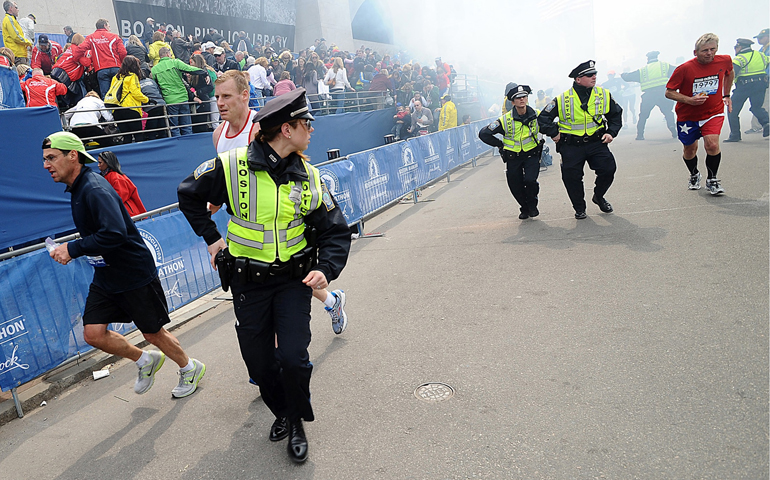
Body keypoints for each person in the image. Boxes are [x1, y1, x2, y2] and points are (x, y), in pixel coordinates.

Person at [177, 88, 350, 464]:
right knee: (258, 364)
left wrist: (325, 268)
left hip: (293, 281)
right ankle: (284, 412)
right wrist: (213, 239)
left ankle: (298, 420)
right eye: (307, 124)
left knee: (292, 357)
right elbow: (188, 194)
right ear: (287, 130)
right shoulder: (231, 165)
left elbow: (336, 230)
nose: (311, 130)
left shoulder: (310, 177)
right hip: (247, 284)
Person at [42, 131, 206, 398]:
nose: (46, 165)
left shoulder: (94, 188)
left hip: (133, 273)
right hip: (106, 275)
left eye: (51, 158)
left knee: (153, 333)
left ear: (73, 156)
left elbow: (115, 233)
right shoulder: (78, 188)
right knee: (93, 334)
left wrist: (72, 248)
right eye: (45, 159)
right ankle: (144, 360)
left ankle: (190, 367)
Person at [212, 70, 349, 332]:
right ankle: (332, 301)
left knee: (290, 284)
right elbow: (224, 182)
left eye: (226, 96)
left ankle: (328, 304)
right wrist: (212, 225)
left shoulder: (261, 128)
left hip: (281, 223)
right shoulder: (218, 135)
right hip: (247, 232)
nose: (220, 102)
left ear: (244, 95)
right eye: (217, 96)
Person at [537, 60, 623, 219]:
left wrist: (611, 132)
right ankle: (579, 207)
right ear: (578, 79)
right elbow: (543, 119)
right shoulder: (562, 99)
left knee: (608, 169)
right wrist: (554, 133)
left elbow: (615, 114)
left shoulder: (603, 94)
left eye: (595, 74)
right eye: (589, 75)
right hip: (571, 146)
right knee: (571, 178)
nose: (594, 77)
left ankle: (599, 196)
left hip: (597, 142)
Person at [665, 33, 734, 195]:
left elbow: (729, 73)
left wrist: (726, 94)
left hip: (713, 112)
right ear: (695, 52)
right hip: (688, 116)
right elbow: (669, 92)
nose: (709, 53)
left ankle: (712, 180)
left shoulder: (724, 60)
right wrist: (689, 100)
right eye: (705, 50)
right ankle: (694, 174)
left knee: (712, 144)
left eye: (713, 49)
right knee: (690, 150)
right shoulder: (684, 69)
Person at [480, 85, 543, 219]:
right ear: (512, 102)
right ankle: (524, 208)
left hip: (532, 154)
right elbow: (484, 133)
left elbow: (549, 126)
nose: (522, 100)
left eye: (524, 97)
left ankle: (532, 205)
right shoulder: (504, 119)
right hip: (513, 157)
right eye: (518, 98)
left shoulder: (537, 115)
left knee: (530, 181)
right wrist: (499, 145)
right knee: (515, 185)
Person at [621, 51, 678, 140]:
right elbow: (678, 70)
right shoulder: (665, 66)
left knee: (643, 115)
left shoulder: (643, 70)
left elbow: (628, 77)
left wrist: (623, 74)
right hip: (663, 93)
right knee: (668, 112)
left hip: (649, 95)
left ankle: (640, 135)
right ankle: (672, 129)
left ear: (648, 59)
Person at [151, 47, 206, 136]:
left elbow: (156, 86)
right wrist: (204, 73)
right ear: (168, 54)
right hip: (183, 98)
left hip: (170, 100)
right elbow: (190, 69)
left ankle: (177, 145)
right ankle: (188, 143)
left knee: (174, 127)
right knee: (187, 126)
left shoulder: (154, 69)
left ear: (160, 56)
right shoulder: (176, 62)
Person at [724, 38, 769, 141]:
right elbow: (768, 61)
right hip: (760, 85)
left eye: (736, 47)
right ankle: (766, 123)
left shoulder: (739, 58)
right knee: (756, 107)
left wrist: (726, 89)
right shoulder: (761, 55)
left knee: (732, 110)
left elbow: (732, 74)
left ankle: (735, 135)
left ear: (740, 47)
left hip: (744, 86)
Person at [71, 19, 126, 98]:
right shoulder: (114, 36)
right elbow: (123, 52)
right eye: (109, 26)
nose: (109, 28)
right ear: (105, 26)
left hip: (101, 69)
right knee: (121, 93)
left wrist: (77, 59)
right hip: (116, 67)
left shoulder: (91, 37)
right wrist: (122, 64)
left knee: (106, 96)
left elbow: (80, 49)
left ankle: (108, 110)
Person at [105, 55, 148, 144]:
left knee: (126, 137)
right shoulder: (133, 76)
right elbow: (135, 92)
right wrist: (146, 100)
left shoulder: (116, 77)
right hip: (130, 108)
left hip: (117, 110)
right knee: (138, 136)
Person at [97, 151, 147, 216]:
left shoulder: (116, 178)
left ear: (107, 163)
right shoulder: (108, 176)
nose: (98, 165)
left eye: (100, 162)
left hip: (126, 214)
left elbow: (119, 198)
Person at [51, 33, 88, 108]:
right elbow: (85, 62)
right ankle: (77, 107)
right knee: (77, 91)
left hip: (56, 71)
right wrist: (90, 58)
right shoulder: (78, 50)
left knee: (62, 91)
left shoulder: (70, 49)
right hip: (64, 74)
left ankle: (66, 105)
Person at [748, 28, 769, 134]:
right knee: (762, 103)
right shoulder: (763, 49)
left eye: (761, 37)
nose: (759, 40)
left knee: (763, 103)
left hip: (766, 79)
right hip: (762, 80)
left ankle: (759, 126)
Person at [189, 53, 217, 133]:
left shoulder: (203, 73)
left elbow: (210, 87)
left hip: (204, 102)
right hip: (200, 102)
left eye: (192, 62)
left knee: (203, 125)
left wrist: (197, 92)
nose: (191, 64)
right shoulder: (195, 73)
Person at [2, 1, 32, 66]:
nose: (18, 10)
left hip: (19, 54)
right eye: (16, 7)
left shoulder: (12, 19)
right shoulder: (9, 19)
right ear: (11, 8)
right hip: (17, 55)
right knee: (22, 74)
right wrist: (29, 42)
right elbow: (16, 37)